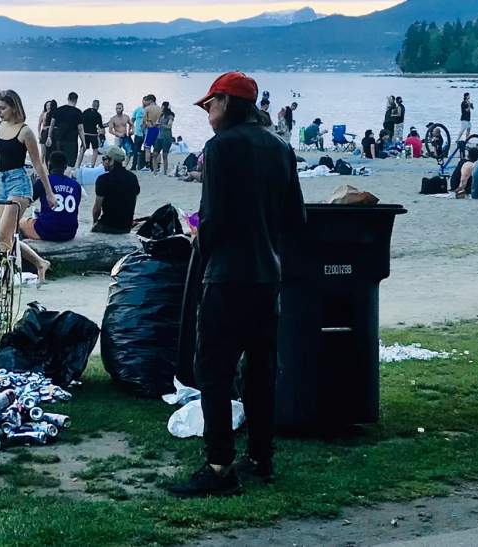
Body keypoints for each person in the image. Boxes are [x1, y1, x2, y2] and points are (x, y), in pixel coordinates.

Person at [170, 71, 306, 498]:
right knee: (261, 371)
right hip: (268, 277)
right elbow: (294, 219)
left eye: (210, 104)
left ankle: (218, 466)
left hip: (227, 276)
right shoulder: (281, 148)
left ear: (227, 103)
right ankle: (261, 457)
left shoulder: (219, 148)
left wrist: (196, 237)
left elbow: (213, 219)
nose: (208, 112)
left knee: (214, 373)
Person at [0, 89, 57, 276]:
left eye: (2, 108)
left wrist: (49, 193)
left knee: (2, 235)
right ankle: (40, 263)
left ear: (13, 108)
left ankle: (11, 273)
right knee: (6, 238)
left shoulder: (25, 131)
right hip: (2, 183)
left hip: (19, 183)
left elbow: (38, 164)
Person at [21, 151, 81, 243]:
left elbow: (27, 202)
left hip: (47, 231)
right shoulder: (76, 185)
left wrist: (31, 186)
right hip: (70, 232)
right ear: (65, 167)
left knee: (21, 222)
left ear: (49, 165)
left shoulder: (43, 181)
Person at [91, 145, 140, 234]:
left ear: (112, 161)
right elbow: (133, 202)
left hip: (108, 226)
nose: (102, 162)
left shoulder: (103, 179)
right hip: (126, 226)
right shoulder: (132, 177)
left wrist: (94, 223)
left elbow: (97, 209)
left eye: (104, 158)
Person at [49, 92, 83, 169]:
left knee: (59, 162)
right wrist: (83, 143)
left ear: (68, 98)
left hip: (59, 140)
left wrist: (49, 136)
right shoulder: (78, 112)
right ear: (76, 100)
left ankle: (58, 178)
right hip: (72, 142)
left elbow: (52, 124)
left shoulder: (58, 110)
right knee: (70, 164)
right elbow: (80, 129)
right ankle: (65, 178)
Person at [78, 99, 104, 169]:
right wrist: (107, 125)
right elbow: (101, 126)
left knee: (82, 150)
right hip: (93, 135)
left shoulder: (85, 111)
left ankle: (78, 166)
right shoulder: (98, 115)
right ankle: (92, 166)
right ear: (98, 106)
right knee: (95, 150)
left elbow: (80, 121)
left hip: (85, 134)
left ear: (92, 105)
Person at [153, 101, 176, 175]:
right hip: (159, 137)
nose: (161, 108)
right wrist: (156, 124)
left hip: (166, 138)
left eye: (162, 107)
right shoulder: (161, 115)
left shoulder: (170, 116)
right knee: (155, 154)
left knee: (165, 155)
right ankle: (155, 171)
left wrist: (161, 125)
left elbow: (169, 126)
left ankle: (165, 172)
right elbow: (157, 123)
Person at [142, 95, 163, 172]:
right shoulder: (160, 109)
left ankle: (147, 166)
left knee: (147, 148)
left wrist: (143, 129)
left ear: (151, 100)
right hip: (159, 130)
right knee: (157, 149)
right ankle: (158, 167)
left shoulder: (147, 108)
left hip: (150, 129)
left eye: (147, 100)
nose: (146, 102)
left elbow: (144, 120)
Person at [131, 98, 147, 170]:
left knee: (146, 150)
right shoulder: (137, 109)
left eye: (146, 100)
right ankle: (134, 165)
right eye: (143, 100)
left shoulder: (148, 110)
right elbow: (132, 120)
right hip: (138, 134)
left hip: (146, 134)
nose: (144, 102)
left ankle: (144, 165)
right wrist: (132, 129)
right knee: (136, 150)